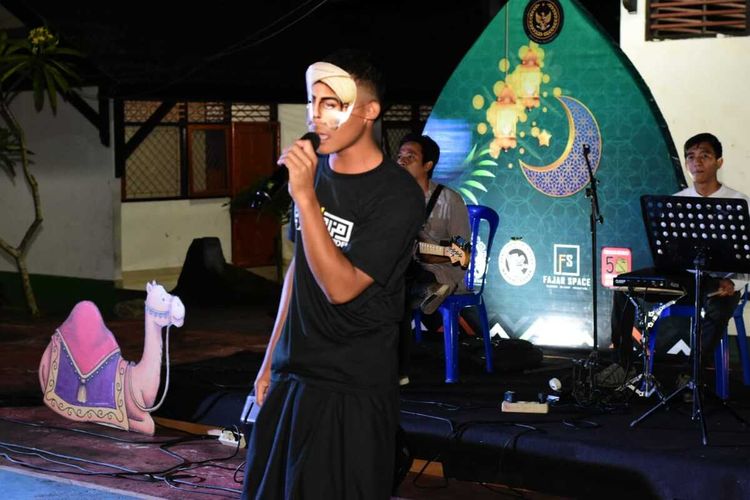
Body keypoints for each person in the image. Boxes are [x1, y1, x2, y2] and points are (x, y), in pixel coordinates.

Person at [241, 51, 423, 500]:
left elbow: (341, 288)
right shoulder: (316, 175)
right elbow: (298, 270)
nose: (315, 116)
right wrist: (270, 359)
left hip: (351, 385)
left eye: (332, 104)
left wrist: (305, 198)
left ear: (369, 111)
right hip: (294, 373)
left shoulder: (397, 195)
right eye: (312, 101)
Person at [611, 133, 748, 382]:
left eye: (705, 156)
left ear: (719, 162)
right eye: (691, 157)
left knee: (718, 307)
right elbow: (668, 254)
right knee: (623, 287)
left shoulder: (739, 202)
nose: (697, 162)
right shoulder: (676, 202)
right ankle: (622, 366)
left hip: (720, 284)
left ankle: (691, 376)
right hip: (684, 281)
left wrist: (734, 283)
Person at [395, 133, 471, 385]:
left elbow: (462, 255)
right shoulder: (390, 196)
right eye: (400, 156)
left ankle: (398, 372)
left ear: (428, 165)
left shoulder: (449, 200)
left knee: (397, 295)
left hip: (441, 270)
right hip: (403, 268)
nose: (402, 160)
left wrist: (431, 252)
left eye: (411, 156)